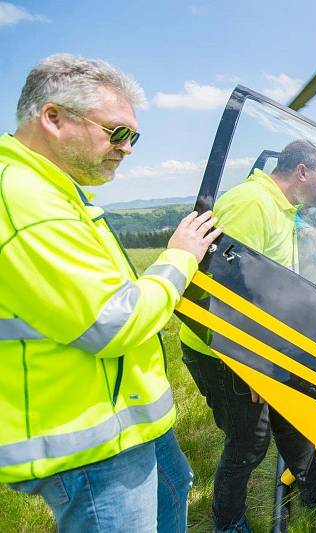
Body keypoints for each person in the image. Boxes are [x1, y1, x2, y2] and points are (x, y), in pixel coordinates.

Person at [0, 54, 221, 532]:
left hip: (125, 423)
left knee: (175, 492)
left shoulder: (52, 192)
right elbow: (113, 322)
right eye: (117, 132)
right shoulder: (24, 200)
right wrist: (180, 256)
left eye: (133, 136)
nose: (128, 148)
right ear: (53, 118)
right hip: (90, 445)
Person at [178, 132, 316, 532]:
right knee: (249, 443)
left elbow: (283, 260)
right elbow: (221, 290)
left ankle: (314, 495)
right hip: (223, 351)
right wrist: (254, 364)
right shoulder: (250, 204)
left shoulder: (282, 204)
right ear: (302, 171)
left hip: (268, 346)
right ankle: (227, 522)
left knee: (296, 421)